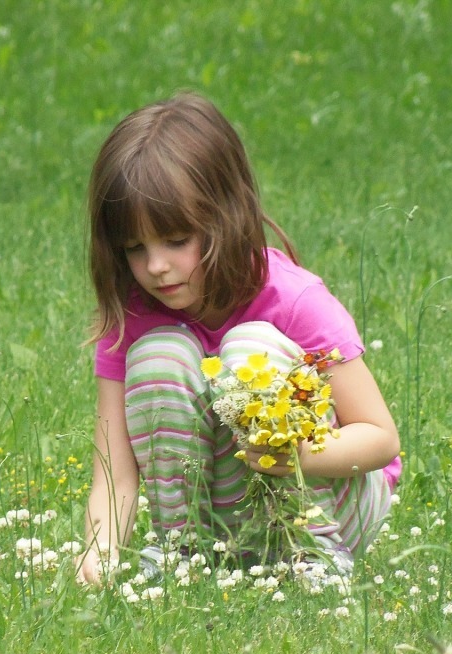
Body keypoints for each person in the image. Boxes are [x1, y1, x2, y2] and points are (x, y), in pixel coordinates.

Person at [77, 92, 401, 585]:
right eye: (134, 248)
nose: (156, 267)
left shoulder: (292, 299)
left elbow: (380, 439)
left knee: (250, 348)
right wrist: (97, 558)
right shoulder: (133, 317)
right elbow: (115, 472)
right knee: (159, 356)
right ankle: (184, 552)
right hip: (230, 517)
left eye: (177, 241)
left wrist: (291, 454)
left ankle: (311, 555)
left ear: (225, 216)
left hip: (335, 498)